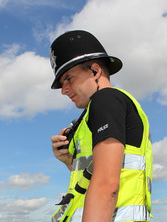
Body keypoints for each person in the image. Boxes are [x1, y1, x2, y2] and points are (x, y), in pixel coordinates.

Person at [50, 30, 153, 222]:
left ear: (95, 71)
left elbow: (106, 185)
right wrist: (69, 161)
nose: (64, 90)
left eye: (68, 79)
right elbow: (101, 174)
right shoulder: (104, 106)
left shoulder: (105, 100)